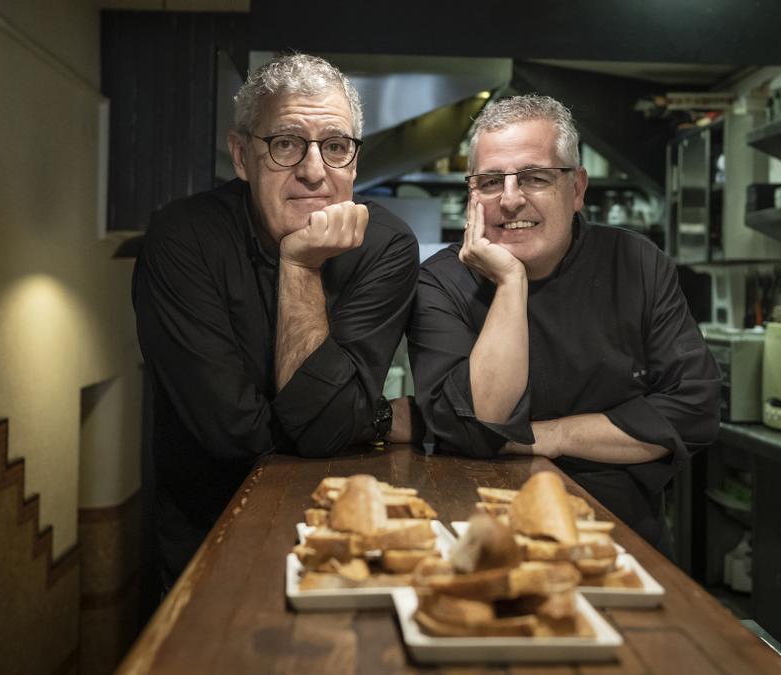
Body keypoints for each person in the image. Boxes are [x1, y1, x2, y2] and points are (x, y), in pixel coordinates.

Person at [133, 54, 419, 587]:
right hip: (207, 546)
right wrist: (375, 418)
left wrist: (298, 266)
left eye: (335, 147)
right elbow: (232, 436)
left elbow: (327, 428)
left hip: (344, 542)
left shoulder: (388, 245)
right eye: (286, 143)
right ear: (242, 156)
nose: (314, 171)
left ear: (354, 162)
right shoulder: (182, 239)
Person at [408, 95, 719, 555]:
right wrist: (510, 281)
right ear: (471, 195)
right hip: (477, 534)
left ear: (576, 190)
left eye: (534, 177)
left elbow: (694, 409)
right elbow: (477, 426)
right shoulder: (441, 280)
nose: (511, 200)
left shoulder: (635, 263)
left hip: (619, 540)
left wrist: (549, 436)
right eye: (491, 181)